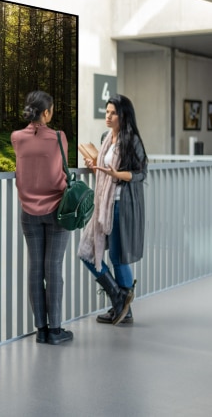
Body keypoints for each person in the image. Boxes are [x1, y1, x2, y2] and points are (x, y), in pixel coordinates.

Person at [78, 94, 147, 325]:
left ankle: (123, 309)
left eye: (113, 113)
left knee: (118, 258)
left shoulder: (131, 140)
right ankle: (120, 300)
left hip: (122, 204)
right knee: (87, 252)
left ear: (123, 115)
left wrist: (117, 175)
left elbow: (140, 173)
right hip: (104, 204)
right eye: (106, 112)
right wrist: (94, 165)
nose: (108, 116)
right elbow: (104, 172)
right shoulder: (106, 138)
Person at [11, 90, 73, 345]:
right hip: (58, 211)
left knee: (36, 269)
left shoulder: (17, 138)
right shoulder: (59, 137)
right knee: (53, 268)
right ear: (46, 113)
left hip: (28, 212)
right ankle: (56, 329)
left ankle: (41, 329)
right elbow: (62, 171)